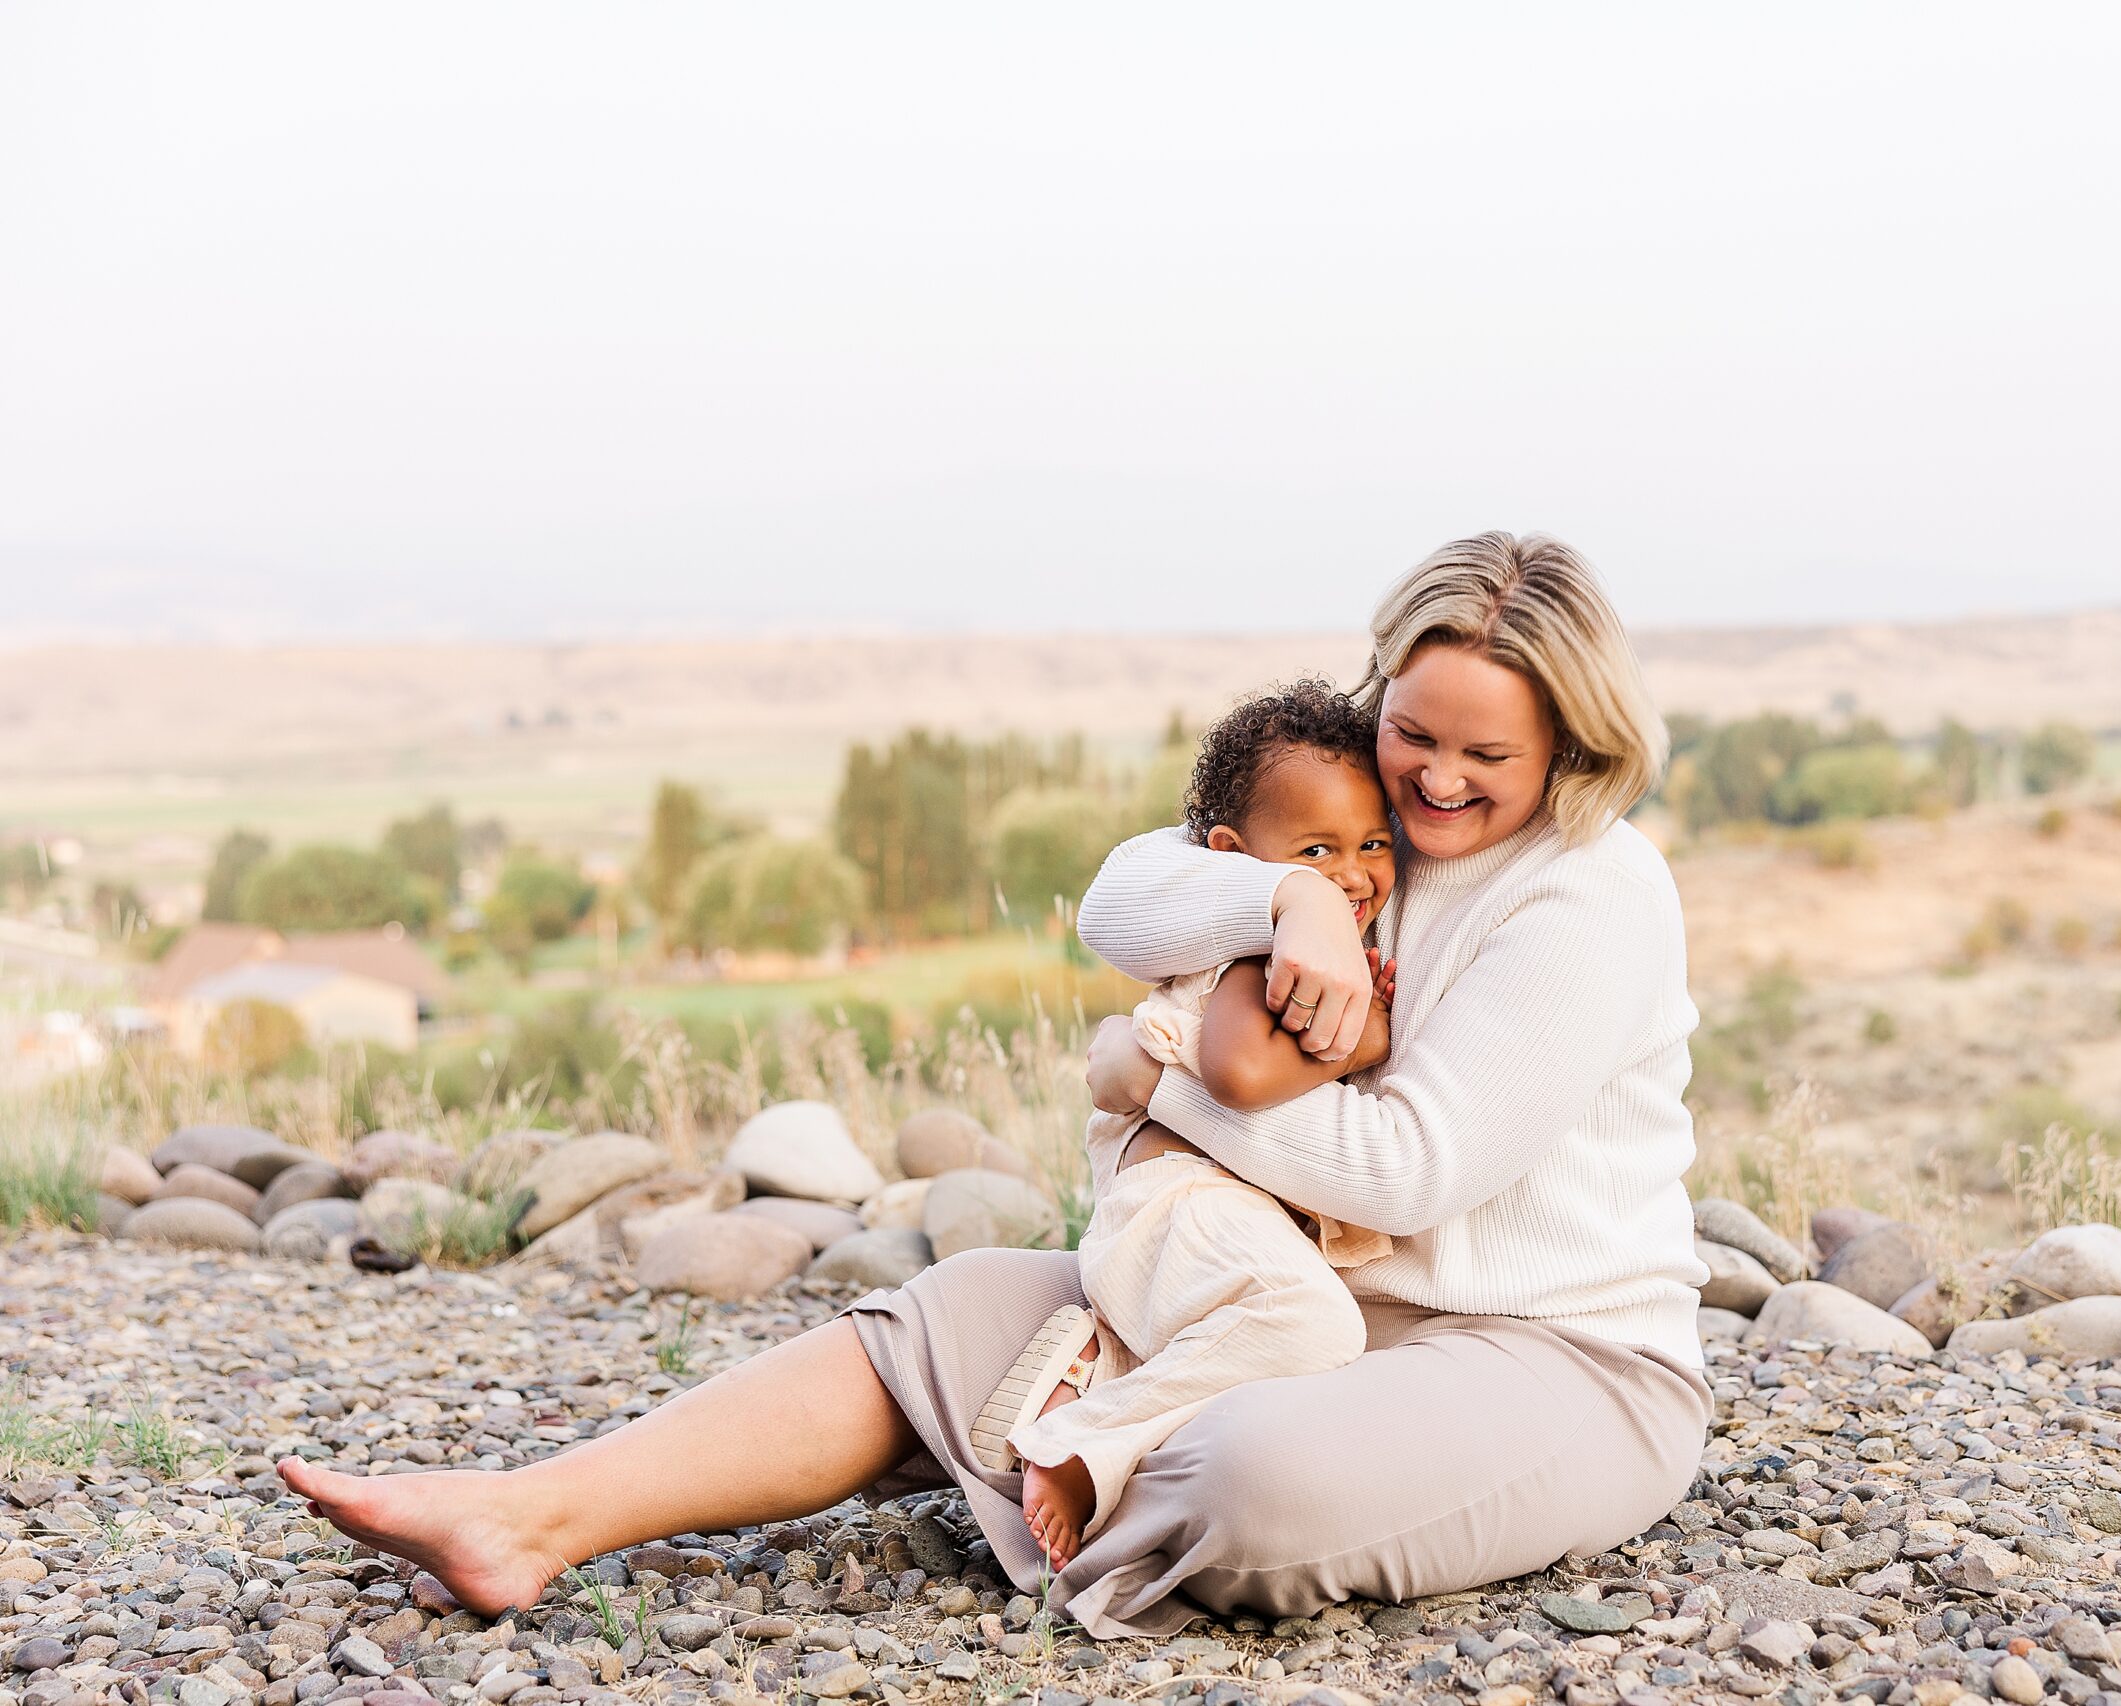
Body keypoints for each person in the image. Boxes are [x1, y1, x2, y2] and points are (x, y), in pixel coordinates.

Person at [274, 530, 1710, 1643]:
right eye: (1416, 732)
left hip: (1552, 1357)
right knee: (954, 1312)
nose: (1437, 783)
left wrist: (1150, 1076)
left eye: (1486, 755)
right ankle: (530, 1515)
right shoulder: (1350, 827)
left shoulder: (1593, 892)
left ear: (1572, 741)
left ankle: (1071, 1460)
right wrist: (1289, 898)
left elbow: (1408, 1169)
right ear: (1383, 692)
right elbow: (1125, 897)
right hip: (1298, 1286)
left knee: (1252, 1472)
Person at [993, 678, 1400, 1570]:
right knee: (1317, 1327)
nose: (1353, 874)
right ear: (1231, 856)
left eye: (1374, 843)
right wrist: (1366, 1033)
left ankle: (1108, 1365)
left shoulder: (1313, 938)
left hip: (1198, 1210)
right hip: (1175, 1199)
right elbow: (1238, 1069)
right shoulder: (1264, 942)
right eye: (1316, 849)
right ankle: (1077, 1440)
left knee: (1281, 1339)